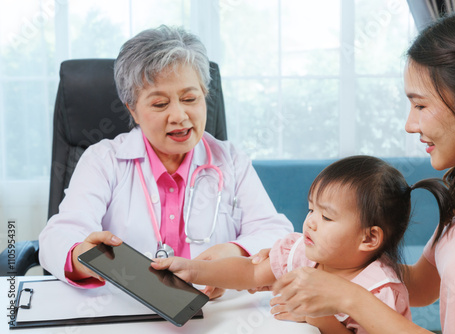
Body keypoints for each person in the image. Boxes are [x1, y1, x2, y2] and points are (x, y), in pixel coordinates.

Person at [271, 6, 455, 334]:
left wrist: (349, 296)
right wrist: (324, 264)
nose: (410, 125)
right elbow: (421, 285)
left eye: (421, 106)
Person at [38, 25, 293, 296]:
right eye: (160, 104)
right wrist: (80, 255)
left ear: (205, 96)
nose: (179, 115)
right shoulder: (103, 160)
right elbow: (58, 235)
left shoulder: (230, 160)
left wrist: (235, 253)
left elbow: (274, 232)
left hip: (215, 312)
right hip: (128, 309)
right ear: (133, 110)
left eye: (190, 98)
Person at [152, 155, 451, 334]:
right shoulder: (302, 254)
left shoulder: (379, 291)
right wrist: (195, 270)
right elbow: (250, 272)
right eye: (311, 210)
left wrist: (315, 313)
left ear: (369, 238)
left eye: (327, 217)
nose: (310, 222)